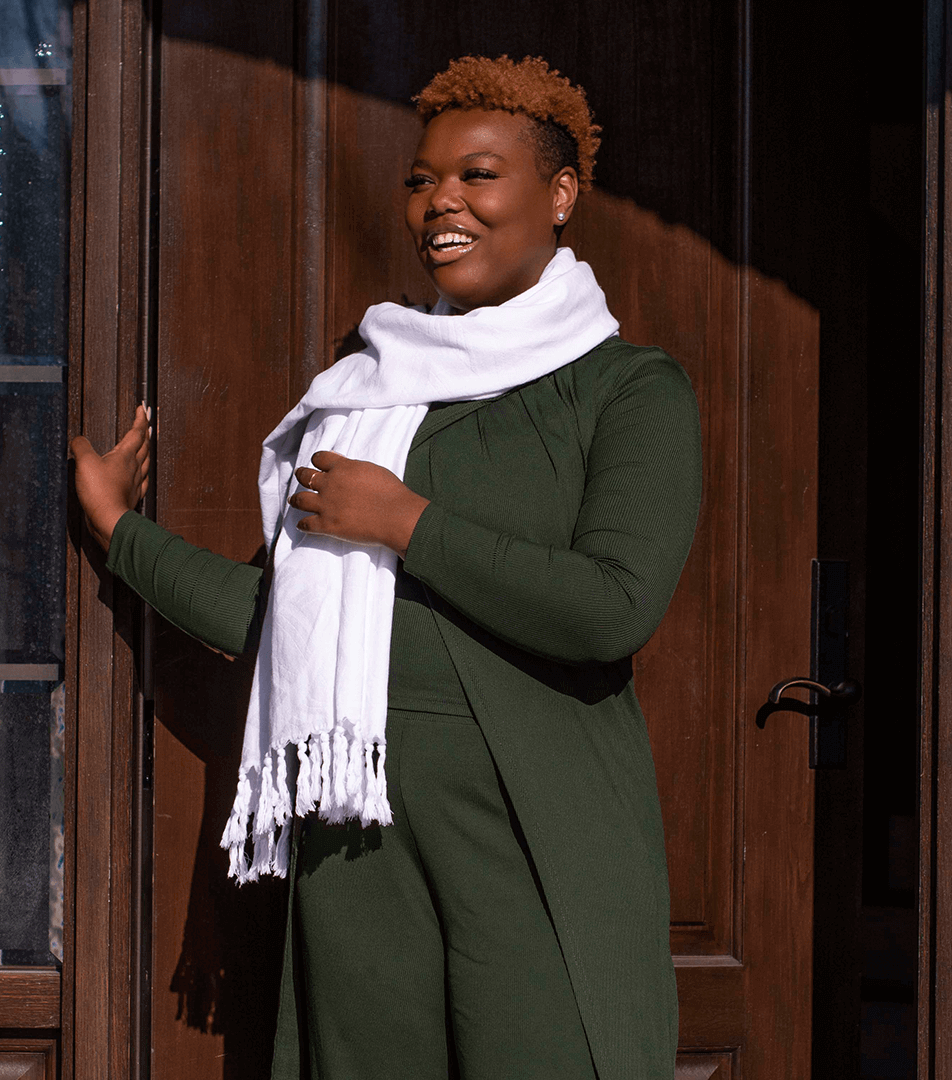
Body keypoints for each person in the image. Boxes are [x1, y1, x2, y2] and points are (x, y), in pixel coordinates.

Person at [71, 55, 701, 1080]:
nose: (440, 201)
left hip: (535, 832)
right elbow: (275, 619)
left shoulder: (631, 392)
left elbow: (611, 610)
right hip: (357, 834)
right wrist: (117, 532)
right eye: (422, 180)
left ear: (559, 193)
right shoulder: (368, 391)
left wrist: (409, 522)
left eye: (478, 175)